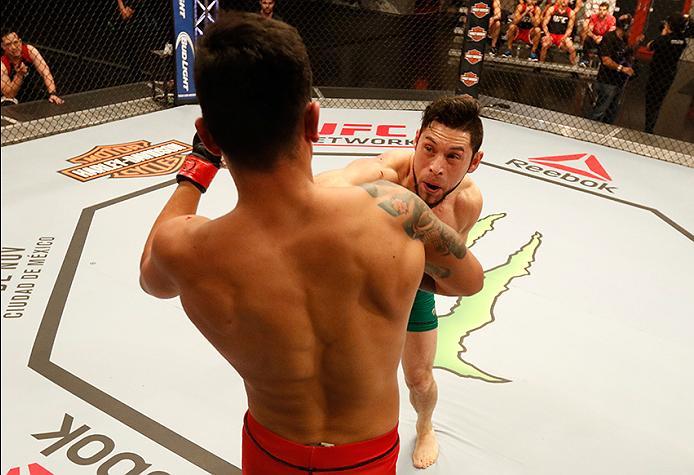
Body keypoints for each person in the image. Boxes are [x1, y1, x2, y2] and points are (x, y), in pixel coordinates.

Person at [139, 12, 484, 475]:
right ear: (313, 119)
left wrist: (198, 167)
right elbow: (470, 280)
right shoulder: (396, 210)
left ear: (209, 135)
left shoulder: (183, 248)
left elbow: (152, 279)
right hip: (368, 456)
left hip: (270, 452)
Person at [315, 95, 484, 469]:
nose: (435, 168)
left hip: (415, 287)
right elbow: (330, 183)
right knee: (341, 375)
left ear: (474, 162)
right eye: (429, 149)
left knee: (420, 380)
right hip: (358, 283)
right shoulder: (387, 173)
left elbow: (450, 272)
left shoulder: (468, 203)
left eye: (453, 157)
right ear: (417, 139)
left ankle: (425, 427)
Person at [644, 13, 688, 134]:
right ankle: (650, 125)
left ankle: (648, 127)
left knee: (651, 100)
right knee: (658, 100)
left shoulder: (664, 39)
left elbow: (649, 46)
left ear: (670, 25)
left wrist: (663, 34)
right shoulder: (682, 41)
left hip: (656, 73)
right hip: (669, 74)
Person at [589, 13, 635, 124]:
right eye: (630, 26)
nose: (631, 29)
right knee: (600, 110)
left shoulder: (624, 39)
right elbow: (606, 60)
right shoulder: (609, 38)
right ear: (625, 27)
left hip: (619, 81)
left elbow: (626, 54)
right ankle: (589, 131)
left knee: (612, 111)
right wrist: (622, 69)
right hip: (607, 80)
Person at [1, 29, 63, 105]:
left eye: (15, 42)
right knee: (7, 102)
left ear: (20, 41)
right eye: (8, 44)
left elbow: (45, 71)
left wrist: (53, 93)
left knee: (51, 99)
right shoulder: (2, 64)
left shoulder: (29, 50)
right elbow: (9, 94)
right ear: (3, 46)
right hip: (14, 98)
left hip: (33, 91)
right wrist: (19, 75)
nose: (13, 47)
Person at [539, 0, 578, 65]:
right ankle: (539, 65)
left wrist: (565, 37)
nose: (564, 1)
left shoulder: (571, 12)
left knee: (572, 48)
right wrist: (547, 35)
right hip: (551, 34)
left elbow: (570, 28)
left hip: (562, 35)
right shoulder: (552, 9)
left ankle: (574, 69)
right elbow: (544, 24)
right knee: (544, 45)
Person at [579, 2, 616, 67]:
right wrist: (594, 37)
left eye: (604, 10)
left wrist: (602, 38)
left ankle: (604, 62)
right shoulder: (594, 17)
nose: (601, 12)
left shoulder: (612, 19)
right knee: (587, 39)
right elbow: (589, 31)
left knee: (609, 41)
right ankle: (585, 60)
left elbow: (611, 32)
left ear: (607, 11)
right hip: (594, 38)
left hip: (605, 39)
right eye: (600, 9)